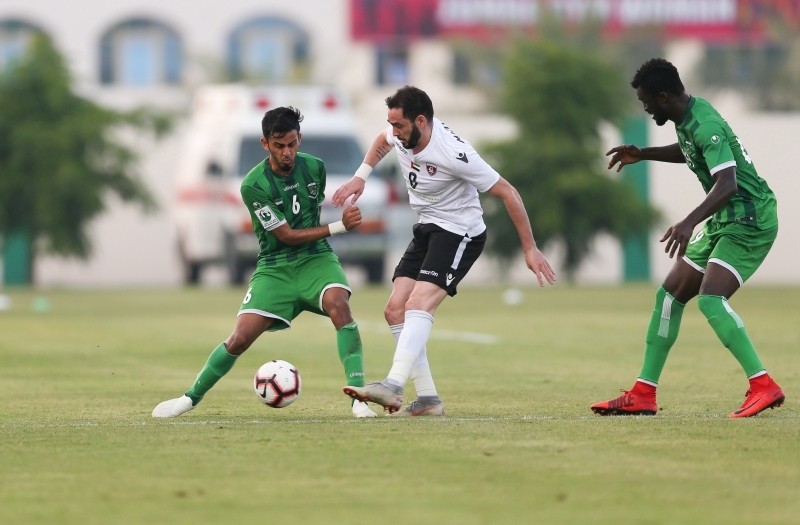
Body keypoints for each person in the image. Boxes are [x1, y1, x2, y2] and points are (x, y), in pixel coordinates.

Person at [331, 86, 556, 416]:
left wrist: (530, 248)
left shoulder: (453, 153)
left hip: (459, 231)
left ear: (420, 121)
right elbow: (382, 141)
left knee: (418, 303)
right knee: (395, 310)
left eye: (400, 126)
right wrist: (360, 178)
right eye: (391, 124)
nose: (394, 132)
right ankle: (428, 399)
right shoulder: (400, 133)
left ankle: (393, 385)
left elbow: (508, 192)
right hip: (428, 227)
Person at [152, 107, 377, 419]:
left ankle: (359, 400)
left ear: (300, 140)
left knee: (340, 306)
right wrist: (340, 227)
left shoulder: (316, 168)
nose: (287, 152)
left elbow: (308, 215)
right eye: (279, 145)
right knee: (239, 338)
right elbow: (285, 235)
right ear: (265, 144)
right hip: (275, 266)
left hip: (316, 258)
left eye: (292, 144)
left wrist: (332, 229)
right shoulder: (253, 185)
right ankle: (189, 399)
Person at [593, 58, 784, 418]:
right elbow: (691, 151)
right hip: (726, 219)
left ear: (663, 97)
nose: (645, 108)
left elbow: (726, 183)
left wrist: (687, 222)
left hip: (750, 219)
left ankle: (764, 386)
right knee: (669, 296)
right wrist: (644, 153)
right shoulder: (688, 117)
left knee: (711, 300)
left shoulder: (706, 124)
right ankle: (643, 394)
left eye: (646, 101)